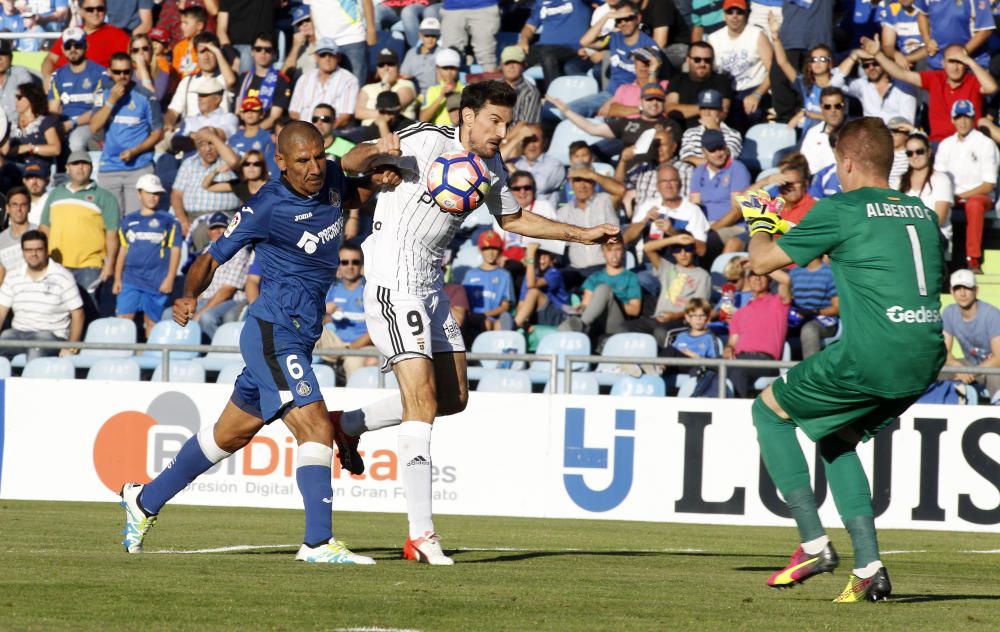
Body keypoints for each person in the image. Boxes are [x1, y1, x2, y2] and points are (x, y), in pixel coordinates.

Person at [336, 80, 620, 564]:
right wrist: (373, 150)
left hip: (431, 289)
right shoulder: (425, 139)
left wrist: (582, 235)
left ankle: (348, 425)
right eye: (494, 121)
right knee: (422, 401)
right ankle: (420, 535)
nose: (501, 131)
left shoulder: (491, 166)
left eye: (506, 123)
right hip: (391, 283)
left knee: (453, 398)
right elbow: (349, 162)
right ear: (467, 116)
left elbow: (511, 219)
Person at [119, 121, 388, 564]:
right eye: (303, 160)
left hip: (300, 336)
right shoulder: (266, 206)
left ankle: (144, 499)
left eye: (320, 156)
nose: (315, 167)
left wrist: (381, 161)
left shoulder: (330, 178)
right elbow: (210, 257)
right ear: (281, 162)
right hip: (272, 333)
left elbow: (354, 169)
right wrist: (190, 294)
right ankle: (318, 543)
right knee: (317, 428)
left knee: (230, 434)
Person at [745, 117, 944, 602]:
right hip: (926, 355)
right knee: (836, 437)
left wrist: (759, 219)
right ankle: (870, 567)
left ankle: (812, 544)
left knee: (767, 411)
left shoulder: (843, 208)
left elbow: (760, 262)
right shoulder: (921, 212)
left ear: (848, 162)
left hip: (873, 352)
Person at [860, 37, 997, 142]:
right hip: (939, 143)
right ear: (942, 63)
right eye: (951, 61)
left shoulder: (972, 80)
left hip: (969, 142)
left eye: (960, 62)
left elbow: (992, 88)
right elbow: (901, 74)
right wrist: (878, 54)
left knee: (984, 123)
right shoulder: (935, 78)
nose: (956, 67)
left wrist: (970, 62)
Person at [39, 151, 120, 310]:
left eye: (84, 163)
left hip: (89, 266)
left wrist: (109, 265)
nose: (80, 167)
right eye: (75, 164)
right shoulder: (55, 194)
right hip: (57, 264)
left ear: (91, 168)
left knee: (88, 310)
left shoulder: (105, 197)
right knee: (56, 310)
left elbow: (112, 235)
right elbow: (44, 228)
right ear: (67, 168)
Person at [89, 52, 164, 217]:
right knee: (111, 222)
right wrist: (111, 101)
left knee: (136, 220)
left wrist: (135, 151)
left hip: (139, 166)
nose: (122, 76)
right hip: (110, 167)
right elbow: (94, 127)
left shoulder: (146, 96)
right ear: (109, 72)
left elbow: (158, 133)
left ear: (133, 70)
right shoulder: (103, 93)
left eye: (126, 72)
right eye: (117, 72)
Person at [933, 99, 998, 274]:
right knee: (935, 201)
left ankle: (973, 259)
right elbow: (938, 176)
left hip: (979, 197)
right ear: (952, 119)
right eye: (958, 117)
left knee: (974, 204)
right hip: (951, 196)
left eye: (966, 117)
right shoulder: (946, 144)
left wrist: (960, 196)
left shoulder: (985, 143)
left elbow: (988, 184)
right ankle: (935, 256)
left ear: (973, 118)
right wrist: (949, 197)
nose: (962, 121)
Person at [0, 229, 84, 361]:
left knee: (35, 351)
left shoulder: (63, 276)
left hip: (51, 335)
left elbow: (78, 314)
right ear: (22, 252)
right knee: (4, 339)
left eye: (38, 249)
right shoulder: (13, 277)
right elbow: (1, 311)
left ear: (46, 250)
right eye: (28, 250)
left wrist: (71, 347)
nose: (33, 254)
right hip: (17, 334)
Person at [113, 174, 181, 336]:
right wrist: (117, 278)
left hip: (157, 280)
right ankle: (123, 357)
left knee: (152, 322)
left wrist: (170, 278)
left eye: (156, 193)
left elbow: (175, 250)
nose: (152, 197)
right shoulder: (128, 221)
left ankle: (149, 357)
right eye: (149, 192)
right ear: (139, 193)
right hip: (131, 278)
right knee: (124, 319)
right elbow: (123, 250)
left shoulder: (169, 221)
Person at [629, 231, 711, 344]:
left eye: (687, 249)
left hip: (683, 320)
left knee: (660, 332)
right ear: (673, 253)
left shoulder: (702, 275)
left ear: (693, 251)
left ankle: (661, 361)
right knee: (623, 329)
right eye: (677, 249)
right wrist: (674, 239)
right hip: (657, 318)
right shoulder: (668, 269)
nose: (683, 254)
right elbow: (647, 248)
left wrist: (674, 316)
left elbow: (700, 308)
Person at [708, 0, 772, 129]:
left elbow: (773, 69)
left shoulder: (757, 35)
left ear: (746, 14)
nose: (735, 16)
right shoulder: (713, 39)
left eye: (739, 12)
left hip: (753, 88)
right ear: (724, 15)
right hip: (726, 91)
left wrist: (757, 94)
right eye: (730, 12)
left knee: (753, 113)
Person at [316, 243, 377, 380]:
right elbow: (324, 322)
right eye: (344, 262)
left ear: (361, 266)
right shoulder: (332, 289)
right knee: (308, 328)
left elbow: (375, 330)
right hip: (337, 344)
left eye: (355, 262)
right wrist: (325, 312)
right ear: (338, 265)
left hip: (361, 348)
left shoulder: (370, 290)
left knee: (353, 362)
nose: (350, 266)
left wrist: (350, 348)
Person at [558, 240, 642, 338]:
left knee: (604, 289)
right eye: (609, 250)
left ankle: (581, 325)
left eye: (617, 250)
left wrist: (608, 302)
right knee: (565, 325)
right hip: (596, 321)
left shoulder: (631, 277)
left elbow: (635, 310)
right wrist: (580, 308)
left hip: (617, 322)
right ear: (603, 252)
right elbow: (585, 304)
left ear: (623, 251)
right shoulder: (594, 277)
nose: (614, 255)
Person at [47, 27, 108, 153]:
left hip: (90, 124)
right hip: (63, 124)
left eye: (78, 45)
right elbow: (53, 108)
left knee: (76, 142)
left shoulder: (100, 74)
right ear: (63, 50)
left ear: (86, 46)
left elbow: (98, 110)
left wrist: (71, 124)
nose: (73, 50)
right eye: (68, 46)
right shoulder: (57, 75)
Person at [942, 268, 1000, 398]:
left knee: (996, 375)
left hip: (992, 367)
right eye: (957, 288)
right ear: (951, 291)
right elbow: (944, 353)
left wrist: (970, 372)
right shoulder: (949, 313)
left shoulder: (992, 314)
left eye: (967, 288)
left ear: (976, 290)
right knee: (936, 370)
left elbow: (998, 358)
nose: (962, 293)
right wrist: (959, 368)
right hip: (969, 364)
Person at [517, 0, 593, 90]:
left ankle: (553, 95)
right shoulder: (541, 2)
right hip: (542, 48)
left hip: (571, 48)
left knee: (547, 55)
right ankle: (511, 96)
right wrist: (524, 40)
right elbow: (529, 27)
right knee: (513, 56)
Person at [42, 1, 130, 79]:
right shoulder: (71, 33)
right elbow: (50, 59)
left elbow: (129, 66)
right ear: (81, 12)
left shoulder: (117, 35)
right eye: (90, 9)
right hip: (59, 85)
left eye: (100, 9)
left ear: (105, 10)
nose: (95, 13)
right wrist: (47, 78)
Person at [898, 132, 952, 254]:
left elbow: (939, 219)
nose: (914, 156)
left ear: (928, 152)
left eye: (919, 151)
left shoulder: (941, 179)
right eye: (909, 153)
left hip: (935, 237)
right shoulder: (899, 181)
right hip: (904, 237)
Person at [837, 44, 917, 126]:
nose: (871, 68)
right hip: (870, 136)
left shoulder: (904, 86)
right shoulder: (862, 85)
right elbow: (835, 84)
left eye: (875, 63)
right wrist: (854, 56)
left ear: (884, 62)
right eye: (866, 65)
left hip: (896, 135)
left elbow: (908, 123)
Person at [288, 38, 360, 128]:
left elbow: (345, 117)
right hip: (304, 131)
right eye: (323, 55)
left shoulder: (349, 80)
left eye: (331, 55)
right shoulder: (304, 79)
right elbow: (294, 112)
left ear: (338, 57)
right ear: (316, 57)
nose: (327, 58)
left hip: (333, 133)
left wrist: (324, 133)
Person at [665, 41, 735, 129]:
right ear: (687, 60)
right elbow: (671, 109)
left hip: (710, 131)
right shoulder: (677, 80)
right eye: (697, 60)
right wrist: (708, 108)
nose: (702, 64)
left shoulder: (721, 81)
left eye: (707, 60)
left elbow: (723, 112)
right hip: (681, 134)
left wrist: (690, 110)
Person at [236, 32, 292, 131]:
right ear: (252, 52)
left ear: (274, 53)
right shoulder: (244, 77)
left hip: (266, 134)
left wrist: (252, 133)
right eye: (258, 49)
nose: (263, 53)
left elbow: (274, 117)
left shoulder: (281, 80)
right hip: (242, 130)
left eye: (268, 50)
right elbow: (237, 110)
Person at [462, 230, 514, 333]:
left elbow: (505, 306)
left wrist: (485, 315)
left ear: (499, 250)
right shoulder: (470, 274)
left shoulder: (505, 275)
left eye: (494, 248)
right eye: (486, 248)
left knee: (491, 323)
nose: (490, 252)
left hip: (494, 320)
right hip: (472, 319)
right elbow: (464, 302)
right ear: (480, 250)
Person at [2, 82, 61, 172]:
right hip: (13, 167)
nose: (16, 101)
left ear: (31, 98)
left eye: (19, 97)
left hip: (37, 168)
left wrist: (30, 148)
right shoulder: (11, 124)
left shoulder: (45, 122)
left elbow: (56, 149)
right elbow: (4, 151)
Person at [678, 89, 742, 168]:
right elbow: (686, 159)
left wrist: (713, 128)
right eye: (703, 108)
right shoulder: (690, 132)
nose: (706, 113)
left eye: (712, 108)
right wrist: (714, 162)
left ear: (721, 111)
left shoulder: (733, 134)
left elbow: (728, 159)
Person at [513, 241, 569, 329]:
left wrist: (530, 254)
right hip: (539, 314)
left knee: (533, 292)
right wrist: (523, 321)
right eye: (538, 256)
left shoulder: (554, 273)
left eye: (545, 256)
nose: (541, 260)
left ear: (552, 258)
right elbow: (521, 303)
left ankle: (513, 327)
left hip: (559, 315)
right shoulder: (529, 276)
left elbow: (531, 285)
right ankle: (519, 325)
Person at [355, 48, 417, 124]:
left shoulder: (406, 85)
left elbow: (390, 108)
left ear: (398, 67)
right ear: (377, 69)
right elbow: (358, 113)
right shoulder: (367, 88)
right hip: (368, 132)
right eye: (381, 65)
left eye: (390, 64)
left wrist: (386, 85)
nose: (386, 68)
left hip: (397, 131)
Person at [439, 0, 500, 72]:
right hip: (452, 6)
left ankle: (491, 82)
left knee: (487, 57)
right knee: (449, 57)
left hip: (484, 5)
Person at [799, 87, 847, 176]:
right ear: (821, 107)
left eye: (838, 106)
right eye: (827, 107)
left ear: (844, 106)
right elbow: (803, 165)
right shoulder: (812, 133)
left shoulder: (856, 132)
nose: (833, 111)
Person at [201, 149, 269, 203]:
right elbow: (206, 186)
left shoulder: (274, 187)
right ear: (242, 167)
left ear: (263, 167)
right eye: (246, 164)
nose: (251, 167)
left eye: (256, 164)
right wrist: (217, 171)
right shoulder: (240, 185)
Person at [418, 47, 464, 125]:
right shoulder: (432, 90)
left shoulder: (466, 89)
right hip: (439, 134)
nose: (449, 72)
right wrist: (441, 97)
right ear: (438, 69)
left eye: (453, 68)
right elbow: (422, 119)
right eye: (445, 68)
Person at [0, 187, 35, 286]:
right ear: (7, 208)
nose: (19, 209)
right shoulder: (1, 239)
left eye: (23, 205)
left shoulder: (39, 233)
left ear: (29, 208)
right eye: (14, 205)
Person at [498, 46, 541, 125]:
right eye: (507, 63)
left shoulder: (531, 92)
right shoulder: (492, 87)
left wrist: (506, 138)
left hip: (515, 135)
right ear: (501, 65)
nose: (511, 66)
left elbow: (525, 124)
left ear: (524, 65)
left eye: (516, 62)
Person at [400, 17, 442, 94]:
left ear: (438, 36)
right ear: (420, 35)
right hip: (413, 93)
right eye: (427, 35)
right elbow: (404, 75)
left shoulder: (442, 53)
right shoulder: (411, 53)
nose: (430, 39)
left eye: (433, 36)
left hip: (434, 94)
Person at [0, 40, 36, 126]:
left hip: (19, 127)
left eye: (3, 54)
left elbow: (29, 98)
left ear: (11, 58)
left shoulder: (20, 73)